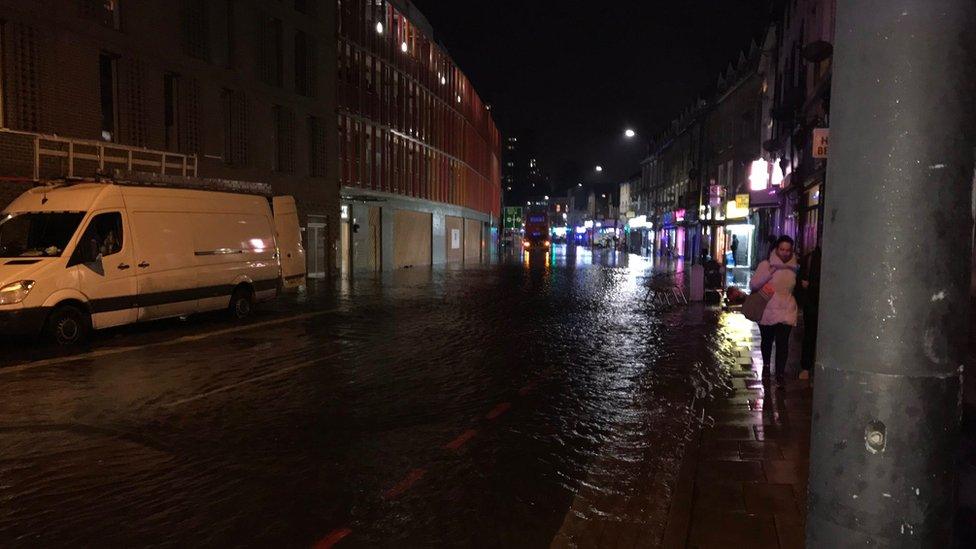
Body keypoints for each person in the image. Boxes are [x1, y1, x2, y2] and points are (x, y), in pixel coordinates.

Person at [750, 235, 799, 385]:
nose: (785, 253)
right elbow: (754, 285)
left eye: (788, 250)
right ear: (776, 249)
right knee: (767, 340)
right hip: (768, 309)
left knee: (783, 342)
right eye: (782, 249)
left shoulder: (795, 267)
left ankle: (780, 374)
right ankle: (765, 366)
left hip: (787, 309)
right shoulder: (766, 264)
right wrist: (768, 274)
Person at [797, 245, 822, 380]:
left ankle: (810, 368)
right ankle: (807, 367)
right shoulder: (810, 258)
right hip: (812, 304)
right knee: (810, 336)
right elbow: (800, 282)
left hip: (818, 304)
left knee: (812, 336)